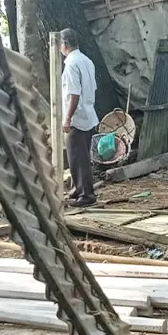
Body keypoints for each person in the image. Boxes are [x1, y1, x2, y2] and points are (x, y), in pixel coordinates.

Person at [60, 28, 99, 208]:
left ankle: (86, 194)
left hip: (78, 115)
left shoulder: (71, 64)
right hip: (88, 112)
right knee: (76, 156)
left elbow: (74, 94)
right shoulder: (86, 61)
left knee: (79, 156)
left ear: (64, 44)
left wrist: (67, 117)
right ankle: (78, 188)